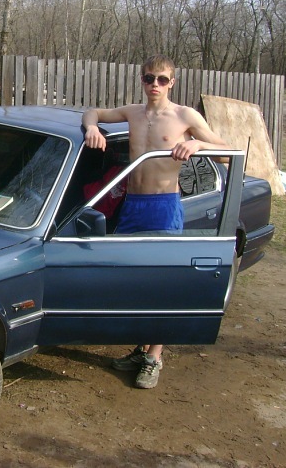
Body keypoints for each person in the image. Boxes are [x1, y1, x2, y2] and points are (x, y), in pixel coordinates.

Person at [81, 54, 232, 389]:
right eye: (149, 78)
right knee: (135, 283)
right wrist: (91, 127)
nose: (155, 85)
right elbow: (93, 112)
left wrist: (198, 144)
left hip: (164, 206)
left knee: (163, 285)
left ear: (172, 83)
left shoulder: (184, 116)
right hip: (132, 205)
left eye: (162, 79)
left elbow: (226, 152)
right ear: (142, 80)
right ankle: (141, 349)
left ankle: (154, 357)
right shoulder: (133, 113)